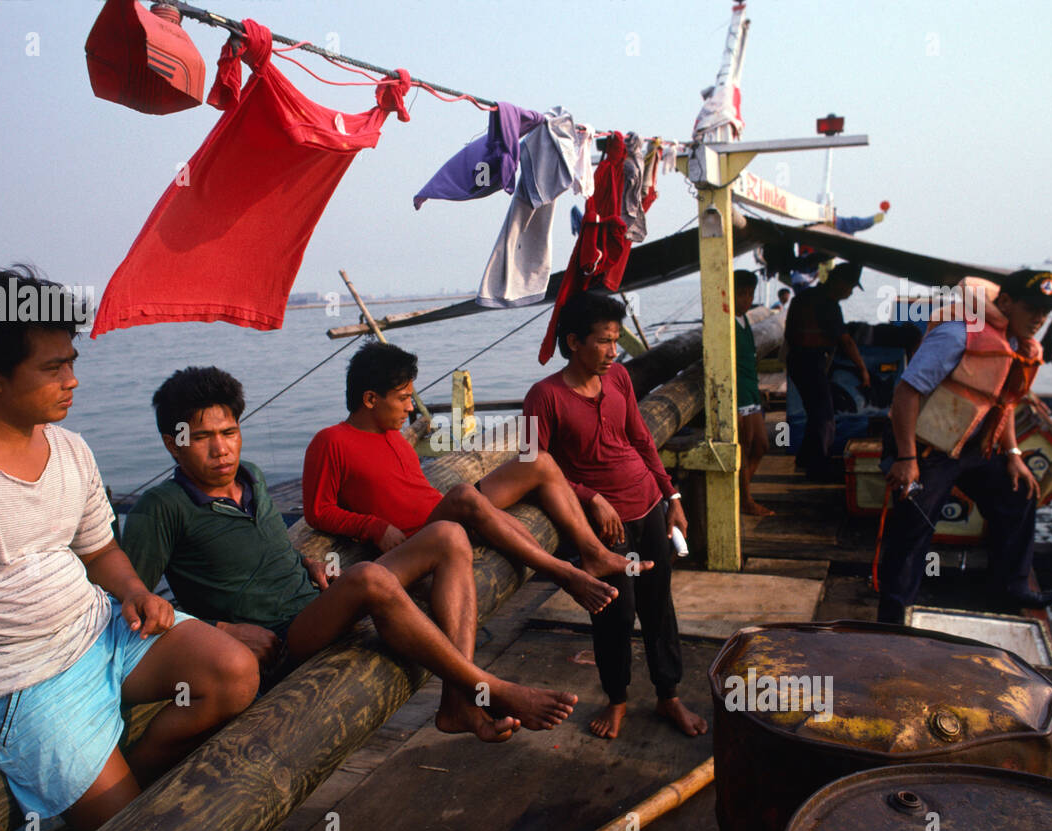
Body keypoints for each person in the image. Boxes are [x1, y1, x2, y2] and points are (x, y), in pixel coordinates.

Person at [0, 267, 259, 831]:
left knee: (235, 672)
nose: (72, 381)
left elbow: (99, 548)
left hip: (104, 634)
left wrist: (134, 592)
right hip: (21, 685)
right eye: (53, 368)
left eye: (72, 362)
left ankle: (121, 776)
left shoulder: (70, 449)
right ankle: (109, 794)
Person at [121, 366, 577, 742]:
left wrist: (303, 561)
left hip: (314, 603)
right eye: (201, 437)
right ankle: (488, 688)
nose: (221, 449)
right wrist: (221, 630)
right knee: (369, 578)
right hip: (277, 642)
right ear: (172, 442)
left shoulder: (253, 477)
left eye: (229, 432)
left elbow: (253, 549)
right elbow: (126, 606)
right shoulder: (161, 509)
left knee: (448, 535)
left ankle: (456, 702)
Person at [303, 342, 646, 614]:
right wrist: (374, 527)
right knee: (464, 494)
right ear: (369, 399)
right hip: (418, 538)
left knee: (537, 460)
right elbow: (319, 510)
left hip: (444, 513)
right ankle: (565, 574)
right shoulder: (331, 440)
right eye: (404, 398)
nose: (410, 408)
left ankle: (592, 554)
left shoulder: (394, 435)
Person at [524, 292, 705, 740]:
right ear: (572, 342)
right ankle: (617, 700)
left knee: (659, 608)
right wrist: (590, 497)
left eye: (614, 341)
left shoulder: (620, 377)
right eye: (602, 342)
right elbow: (531, 466)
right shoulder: (542, 397)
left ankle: (669, 697)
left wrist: (673, 497)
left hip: (647, 508)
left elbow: (641, 439)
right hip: (604, 530)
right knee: (616, 614)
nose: (611, 351)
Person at [876, 269, 1052, 623]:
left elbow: (1002, 402)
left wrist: (1014, 455)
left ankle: (1011, 585)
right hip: (926, 447)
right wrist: (906, 458)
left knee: (1018, 492)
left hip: (974, 447)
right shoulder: (958, 335)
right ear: (1005, 302)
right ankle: (893, 615)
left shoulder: (1013, 344)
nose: (1039, 319)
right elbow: (906, 393)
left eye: (1045, 311)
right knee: (913, 525)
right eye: (1032, 308)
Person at [784, 262, 872, 482]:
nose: (850, 292)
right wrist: (863, 369)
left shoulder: (804, 297)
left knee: (816, 413)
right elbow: (847, 341)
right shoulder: (828, 304)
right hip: (810, 362)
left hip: (797, 360)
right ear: (839, 283)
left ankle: (805, 458)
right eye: (850, 287)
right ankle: (818, 467)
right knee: (825, 418)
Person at [733, 270, 773, 516]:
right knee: (745, 448)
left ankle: (739, 494)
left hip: (750, 390)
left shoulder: (744, 320)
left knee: (761, 445)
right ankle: (745, 500)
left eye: (750, 294)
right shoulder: (725, 321)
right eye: (741, 294)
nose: (746, 300)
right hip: (738, 395)